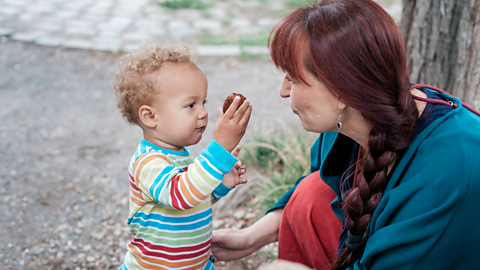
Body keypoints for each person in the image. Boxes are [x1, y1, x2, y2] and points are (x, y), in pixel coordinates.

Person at [212, 0, 480, 269]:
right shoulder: (355, 116)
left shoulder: (447, 169)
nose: (283, 91)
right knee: (312, 193)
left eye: (292, 78)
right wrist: (251, 238)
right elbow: (316, 182)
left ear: (340, 91)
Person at [112, 44, 252, 270]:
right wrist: (220, 148)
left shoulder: (181, 156)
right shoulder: (148, 163)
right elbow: (180, 196)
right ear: (150, 116)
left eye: (203, 103)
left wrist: (217, 188)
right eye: (190, 105)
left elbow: (190, 204)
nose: (204, 112)